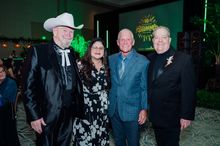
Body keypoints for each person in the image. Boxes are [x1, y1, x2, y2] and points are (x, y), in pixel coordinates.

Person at [22, 12, 85, 146]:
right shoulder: (38, 51)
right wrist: (34, 116)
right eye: (65, 30)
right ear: (55, 31)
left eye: (71, 32)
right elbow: (28, 87)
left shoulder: (73, 53)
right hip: (46, 115)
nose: (69, 34)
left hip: (68, 112)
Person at [147, 26, 196, 146]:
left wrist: (186, 115)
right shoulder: (149, 59)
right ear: (153, 40)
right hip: (155, 115)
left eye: (163, 37)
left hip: (172, 116)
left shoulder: (183, 60)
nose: (159, 40)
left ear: (169, 40)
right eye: (156, 37)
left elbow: (189, 90)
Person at [108, 28, 149, 146]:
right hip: (114, 110)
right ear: (117, 42)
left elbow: (144, 87)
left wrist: (144, 109)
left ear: (133, 42)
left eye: (128, 39)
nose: (125, 42)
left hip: (133, 111)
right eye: (122, 39)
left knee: (133, 143)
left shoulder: (143, 61)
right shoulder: (111, 59)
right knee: (119, 142)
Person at [73, 38, 111, 146]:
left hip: (102, 110)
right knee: (85, 139)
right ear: (90, 50)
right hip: (85, 109)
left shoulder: (107, 66)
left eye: (101, 48)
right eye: (95, 47)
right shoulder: (80, 65)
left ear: (104, 51)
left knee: (100, 137)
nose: (98, 50)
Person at [0, 64, 20, 146]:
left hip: (7, 115)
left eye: (2, 71)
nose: (1, 74)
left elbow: (4, 102)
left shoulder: (10, 83)